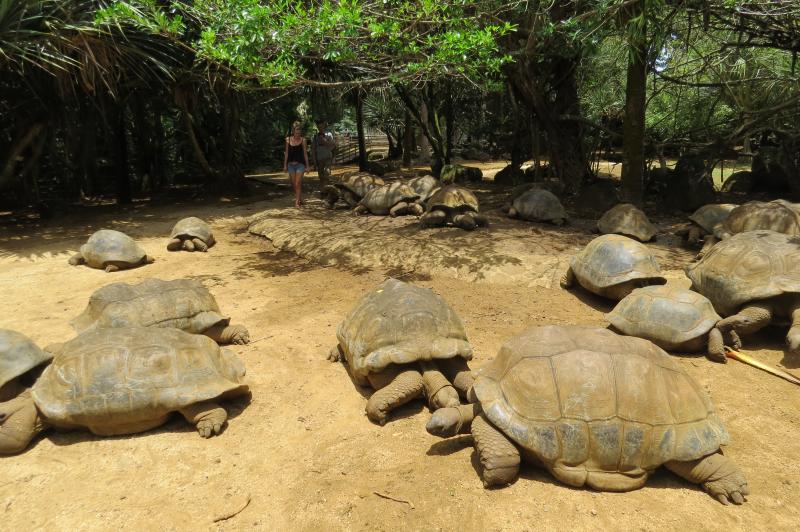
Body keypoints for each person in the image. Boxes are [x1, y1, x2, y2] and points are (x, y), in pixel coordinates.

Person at [284, 121, 309, 208]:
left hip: (300, 164)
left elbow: (305, 153)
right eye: (296, 132)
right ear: (293, 131)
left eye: (299, 132)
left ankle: (297, 202)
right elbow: (286, 153)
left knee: (298, 182)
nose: (298, 134)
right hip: (290, 165)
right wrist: (285, 165)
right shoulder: (288, 140)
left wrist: (307, 166)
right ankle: (300, 198)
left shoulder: (303, 140)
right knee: (294, 183)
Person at [311, 119, 336, 190]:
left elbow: (333, 145)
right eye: (319, 127)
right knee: (320, 175)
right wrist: (314, 160)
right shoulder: (315, 136)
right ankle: (323, 189)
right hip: (319, 158)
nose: (320, 128)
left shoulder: (329, 134)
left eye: (321, 126)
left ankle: (327, 188)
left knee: (327, 173)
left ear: (324, 126)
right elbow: (313, 149)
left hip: (328, 157)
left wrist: (325, 141)